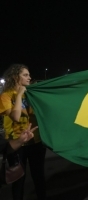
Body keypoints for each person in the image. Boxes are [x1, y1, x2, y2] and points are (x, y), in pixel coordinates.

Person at [0, 64, 46, 200]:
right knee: (18, 179)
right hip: (16, 144)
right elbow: (15, 116)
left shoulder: (31, 94)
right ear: (15, 77)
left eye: (29, 74)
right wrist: (20, 94)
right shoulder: (6, 95)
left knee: (39, 177)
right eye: (25, 75)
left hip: (35, 141)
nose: (29, 77)